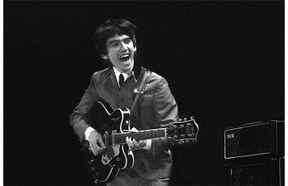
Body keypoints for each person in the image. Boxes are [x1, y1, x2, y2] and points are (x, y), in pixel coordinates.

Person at [70, 18, 179, 186]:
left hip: (152, 176)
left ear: (134, 46)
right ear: (104, 54)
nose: (124, 47)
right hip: (113, 173)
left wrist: (146, 143)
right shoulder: (98, 80)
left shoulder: (157, 84)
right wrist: (90, 133)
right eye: (115, 44)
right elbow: (77, 116)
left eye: (127, 41)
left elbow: (172, 133)